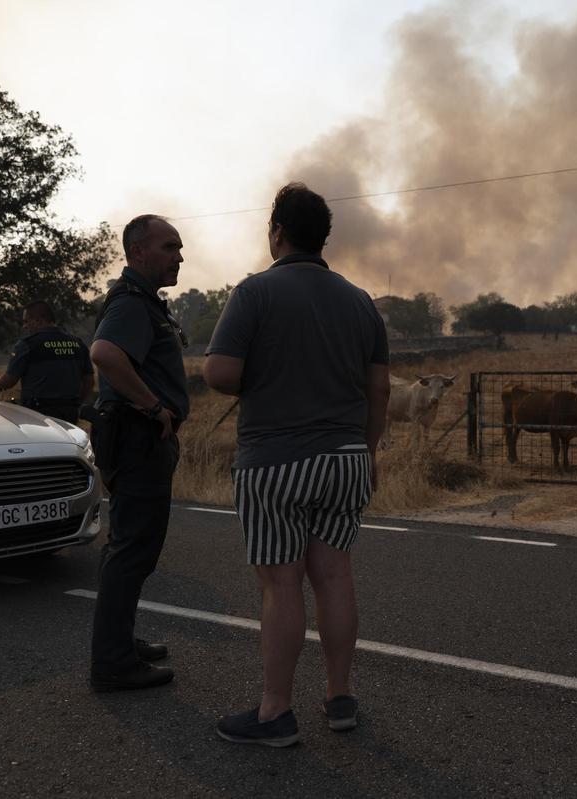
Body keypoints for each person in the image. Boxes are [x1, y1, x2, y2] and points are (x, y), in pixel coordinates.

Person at [204, 183, 390, 747]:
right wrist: (368, 450)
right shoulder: (361, 300)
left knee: (280, 584)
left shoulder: (255, 292)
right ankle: (339, 697)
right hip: (346, 460)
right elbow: (378, 388)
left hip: (275, 462)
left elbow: (218, 374)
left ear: (277, 232)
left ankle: (274, 713)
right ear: (323, 236)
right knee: (334, 574)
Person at [87, 214, 189, 692]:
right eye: (169, 247)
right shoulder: (131, 303)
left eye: (179, 247)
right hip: (137, 439)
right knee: (132, 551)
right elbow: (105, 353)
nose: (179, 257)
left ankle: (120, 644)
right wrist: (155, 408)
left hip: (136, 439)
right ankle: (112, 664)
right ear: (137, 252)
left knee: (130, 548)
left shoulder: (145, 302)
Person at [0, 301, 93, 423]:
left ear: (39, 320)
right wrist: (76, 403)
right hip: (69, 413)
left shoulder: (27, 345)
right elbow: (89, 381)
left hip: (38, 415)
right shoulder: (78, 344)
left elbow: (9, 381)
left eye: (27, 321)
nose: (25, 326)